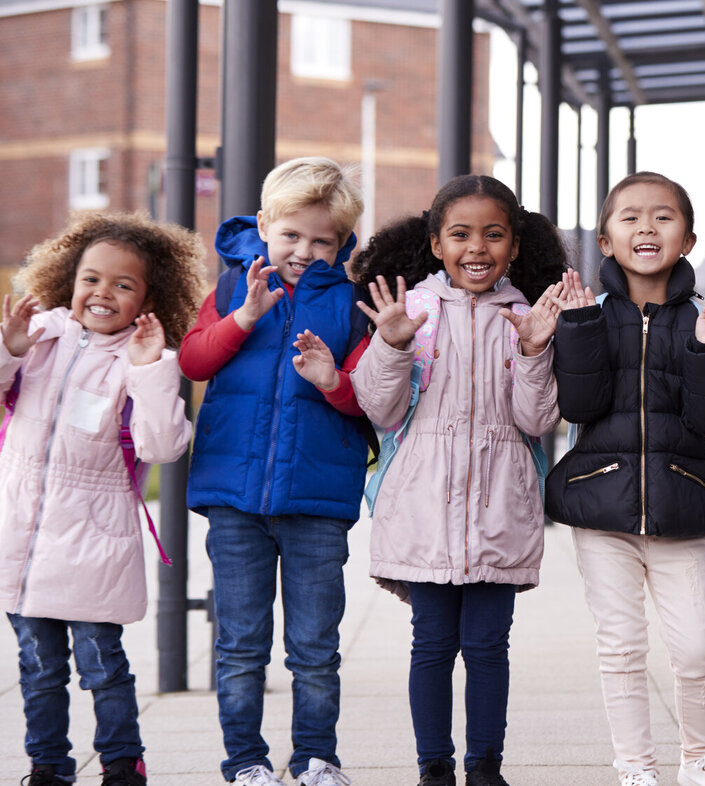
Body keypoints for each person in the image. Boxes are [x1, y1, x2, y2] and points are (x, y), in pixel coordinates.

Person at [334, 174, 567, 786]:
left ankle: (485, 767)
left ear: (514, 247)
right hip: (422, 508)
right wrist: (389, 345)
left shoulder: (527, 316)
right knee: (431, 645)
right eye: (460, 234)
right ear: (436, 244)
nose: (477, 248)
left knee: (490, 648)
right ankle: (433, 767)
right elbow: (378, 409)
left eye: (494, 235)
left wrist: (538, 353)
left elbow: (536, 419)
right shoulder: (408, 311)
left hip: (500, 507)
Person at [545, 172, 705, 786]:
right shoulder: (586, 314)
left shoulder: (702, 319)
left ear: (687, 239)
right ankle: (635, 767)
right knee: (621, 648)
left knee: (695, 647)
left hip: (681, 503)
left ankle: (701, 759)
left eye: (663, 217)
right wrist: (577, 333)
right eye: (629, 218)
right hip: (600, 505)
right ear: (605, 240)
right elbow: (579, 409)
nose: (646, 227)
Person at [179, 157, 369, 786]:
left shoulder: (351, 305)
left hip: (317, 501)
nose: (305, 251)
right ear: (263, 225)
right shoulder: (234, 288)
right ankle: (245, 762)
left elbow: (369, 398)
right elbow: (195, 360)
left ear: (342, 244)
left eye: (323, 241)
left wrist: (332, 380)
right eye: (291, 235)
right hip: (234, 500)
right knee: (238, 647)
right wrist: (242, 320)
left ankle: (316, 757)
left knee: (315, 648)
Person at [0, 211, 205, 786]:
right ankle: (48, 766)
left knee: (101, 665)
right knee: (37, 669)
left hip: (93, 538)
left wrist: (147, 370)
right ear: (69, 276)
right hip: (24, 535)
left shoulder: (145, 359)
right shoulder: (40, 335)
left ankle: (121, 763)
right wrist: (9, 350)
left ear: (148, 295)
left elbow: (163, 446)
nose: (103, 293)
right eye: (92, 278)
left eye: (123, 283)